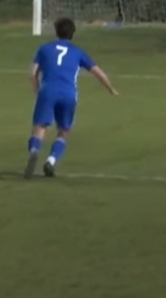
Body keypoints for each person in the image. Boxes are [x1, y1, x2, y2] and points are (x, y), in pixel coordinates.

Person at [25, 17, 118, 179]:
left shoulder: (44, 49)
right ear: (72, 34)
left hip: (47, 92)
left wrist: (37, 91)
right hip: (68, 94)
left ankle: (34, 151)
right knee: (63, 131)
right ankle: (51, 161)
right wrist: (111, 89)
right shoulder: (78, 52)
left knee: (40, 128)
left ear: (56, 32)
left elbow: (32, 74)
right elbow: (98, 72)